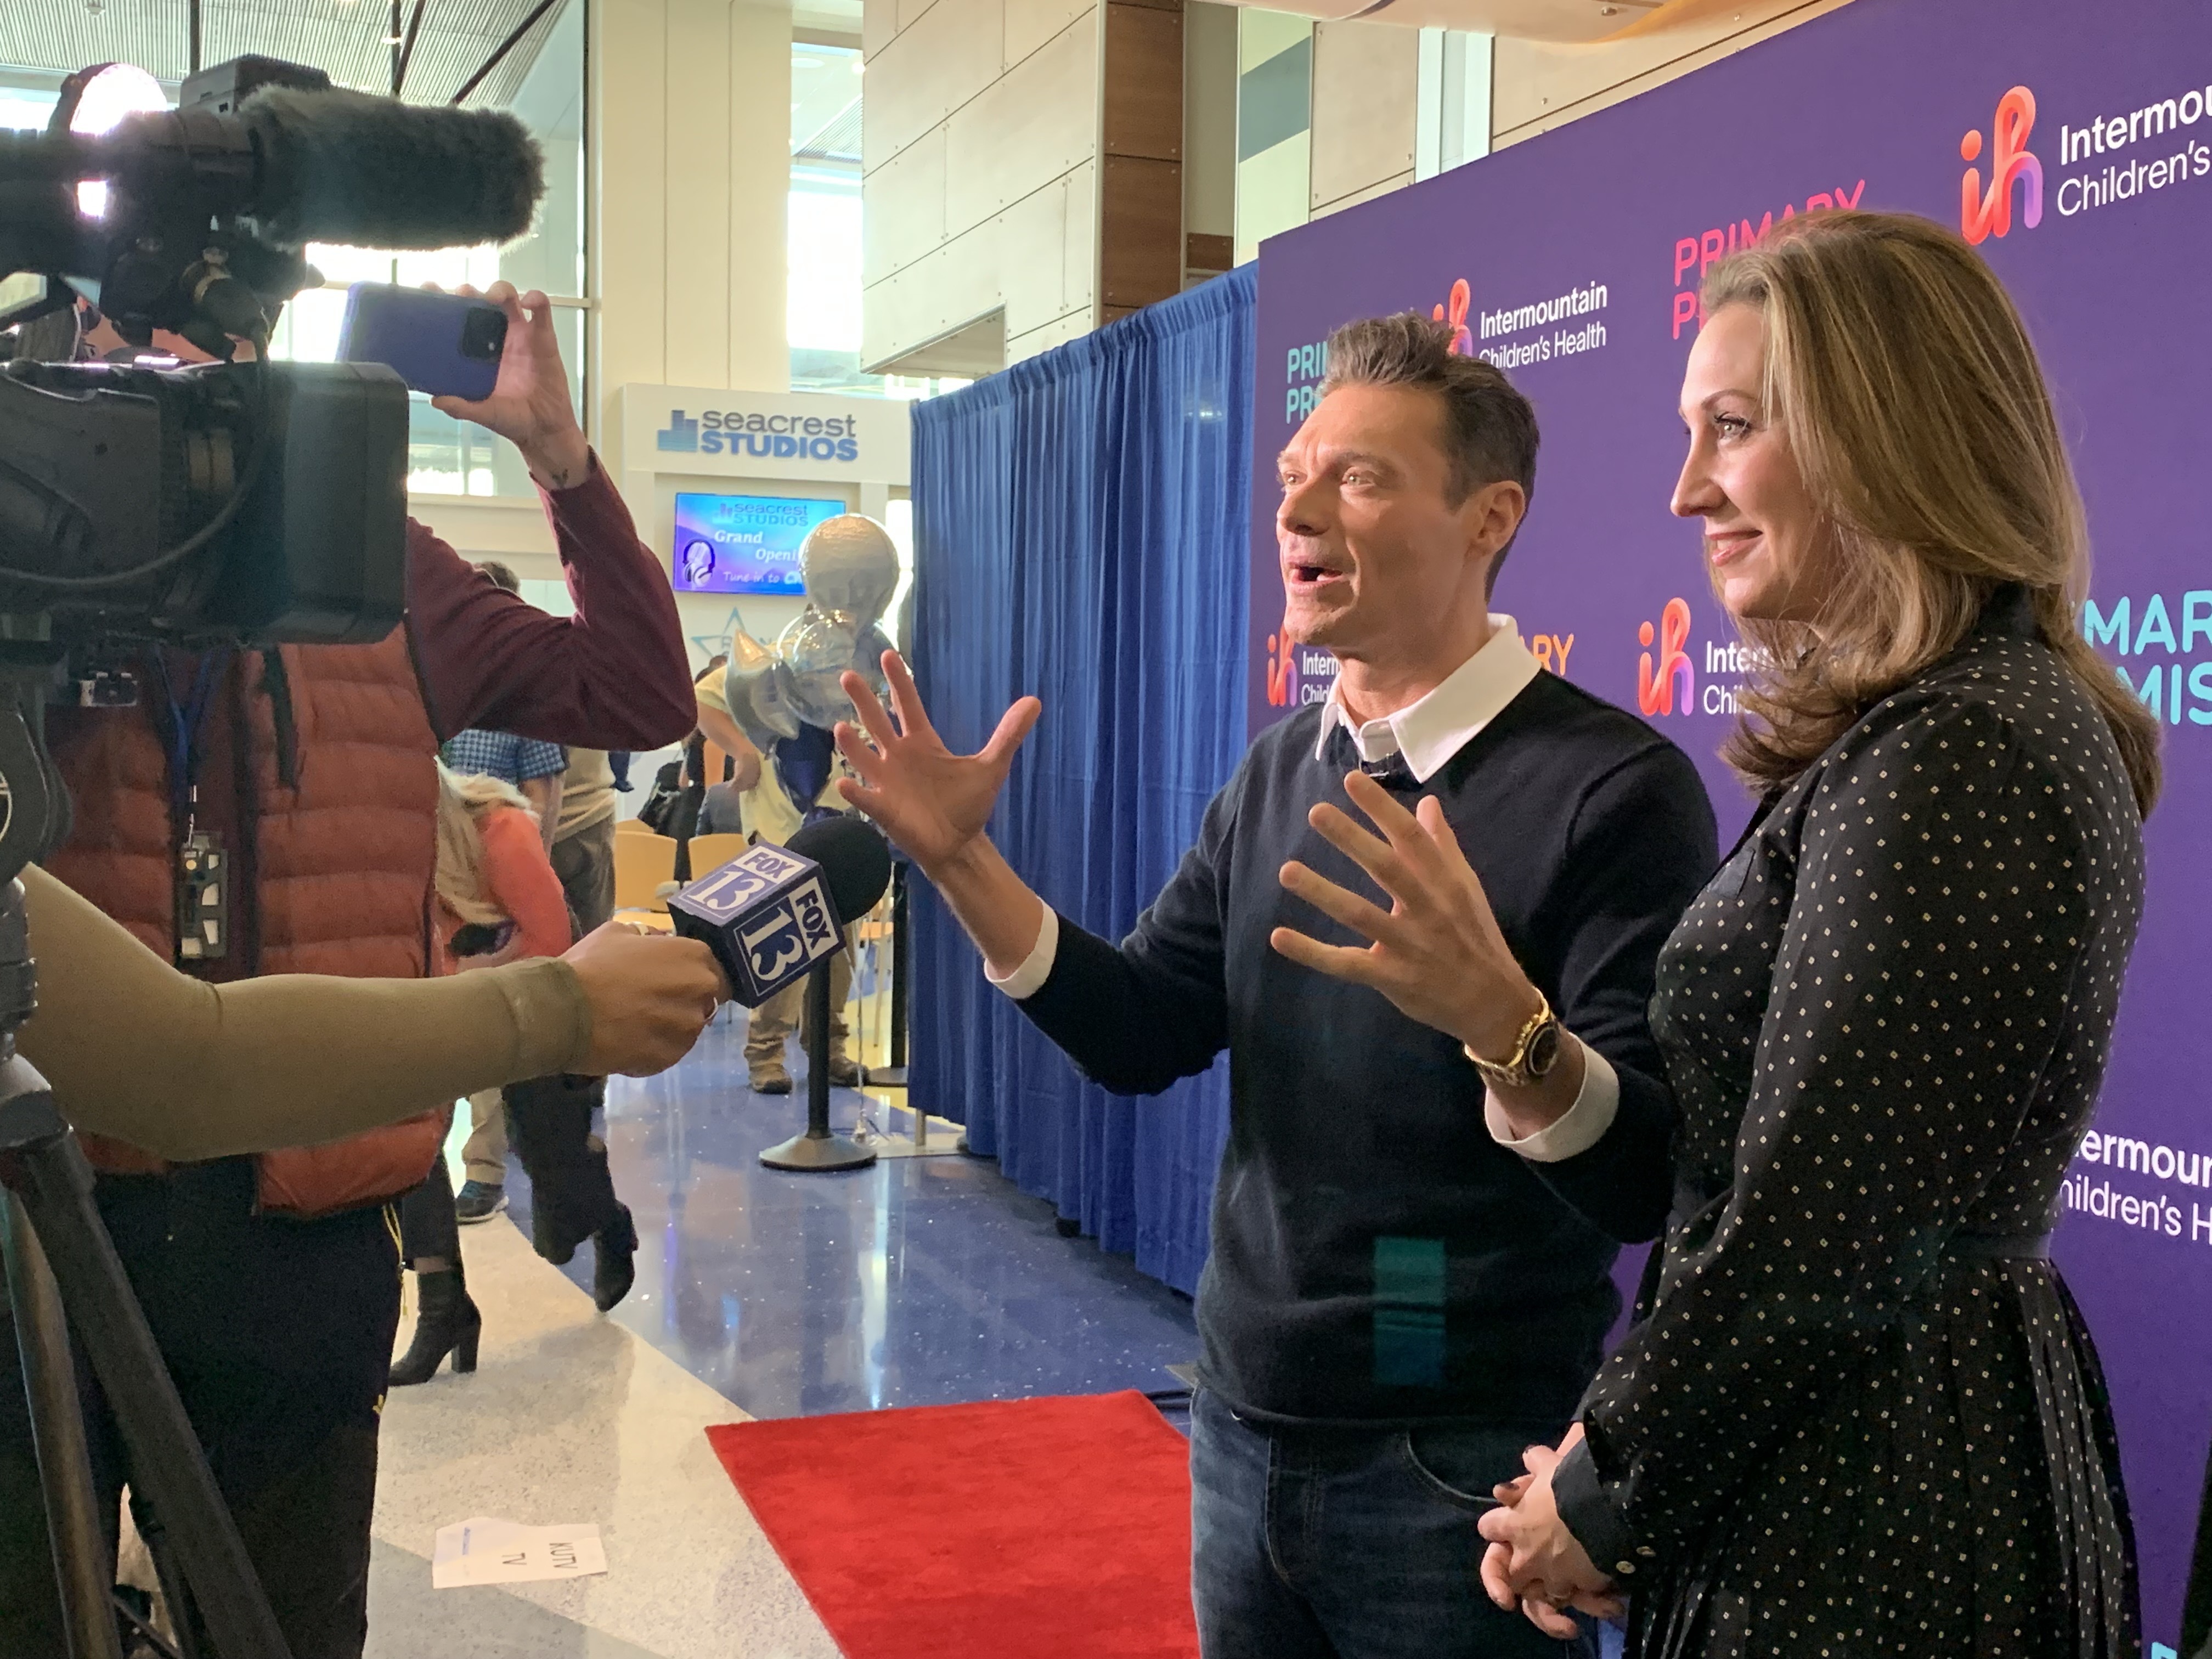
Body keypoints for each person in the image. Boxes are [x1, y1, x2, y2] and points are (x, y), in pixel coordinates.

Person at [834, 314, 1717, 1658]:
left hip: (1457, 1463)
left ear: (1489, 518)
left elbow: (1643, 1177)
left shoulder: (1612, 790)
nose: (1297, 510)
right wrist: (963, 863)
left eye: (1359, 478)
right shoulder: (1280, 768)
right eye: (1296, 474)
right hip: (1238, 1427)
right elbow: (1143, 1029)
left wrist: (1503, 1023)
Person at [1474, 211, 2158, 1659]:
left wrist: (1599, 1496)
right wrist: (1510, 1034)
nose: (1686, 489)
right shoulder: (1941, 732)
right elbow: (1750, 1178)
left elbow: (1810, 1238)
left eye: (1732, 428)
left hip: (1874, 1518)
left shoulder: (1958, 751)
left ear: (1885, 432)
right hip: (1850, 1467)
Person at [2, 279, 696, 1659]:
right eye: (126, 336)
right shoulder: (36, 544)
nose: (171, 370)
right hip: (43, 1206)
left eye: (211, 332)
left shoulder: (375, 561)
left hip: (304, 1225)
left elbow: (637, 695)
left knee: (287, 1625)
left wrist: (560, 460)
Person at [0, 864, 724, 1659]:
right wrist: (559, 1006)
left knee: (290, 1597)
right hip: (73, 1212)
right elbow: (182, 1064)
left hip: (308, 1218)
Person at [391, 767, 579, 1386]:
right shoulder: (403, 848)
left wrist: (466, 979)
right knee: (411, 1136)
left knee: (555, 1160)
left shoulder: (500, 830)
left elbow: (552, 943)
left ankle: (608, 1224)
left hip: (531, 993)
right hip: (460, 996)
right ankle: (442, 1304)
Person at [441, 557, 571, 1222]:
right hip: (445, 860)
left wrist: (528, 868)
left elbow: (544, 790)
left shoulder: (521, 691)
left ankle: (486, 1169)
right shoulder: (442, 683)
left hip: (502, 863)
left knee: (494, 1017)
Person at [696, 668, 864, 1096]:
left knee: (841, 948)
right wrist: (743, 751)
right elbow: (701, 700)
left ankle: (829, 1048)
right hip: (779, 825)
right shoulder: (769, 666)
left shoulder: (853, 663)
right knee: (784, 944)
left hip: (840, 821)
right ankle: (766, 1052)